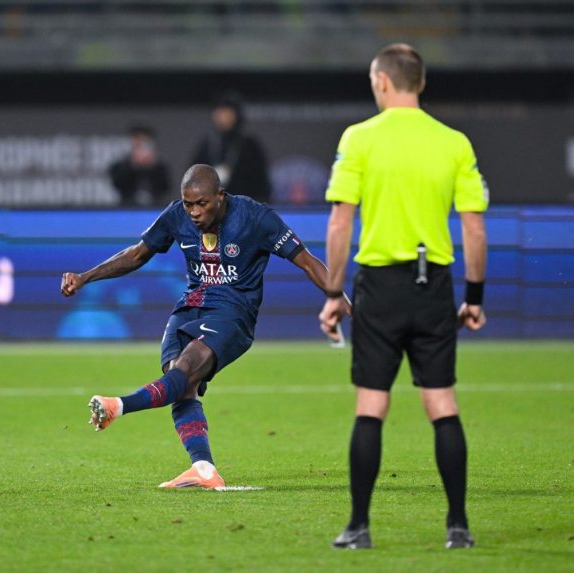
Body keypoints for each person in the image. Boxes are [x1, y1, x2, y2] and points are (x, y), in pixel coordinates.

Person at [61, 164, 349, 488]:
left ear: (220, 197)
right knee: (181, 385)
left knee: (183, 370)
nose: (194, 212)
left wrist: (341, 299)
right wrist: (85, 277)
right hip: (189, 307)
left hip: (233, 313)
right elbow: (138, 254)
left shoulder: (255, 218)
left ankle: (119, 406)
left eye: (202, 204)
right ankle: (204, 469)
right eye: (188, 204)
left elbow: (307, 261)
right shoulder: (177, 215)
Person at [318, 43, 489, 550]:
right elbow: (474, 230)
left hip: (380, 288)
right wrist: (473, 296)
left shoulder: (360, 138)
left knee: (371, 407)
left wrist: (333, 292)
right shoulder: (454, 142)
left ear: (383, 82)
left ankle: (359, 528)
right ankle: (457, 528)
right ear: (421, 83)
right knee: (442, 404)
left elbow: (340, 221)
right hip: (434, 284)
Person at [190, 92, 271, 203]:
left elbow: (261, 183)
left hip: (243, 208)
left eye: (227, 112)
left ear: (236, 115)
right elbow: (193, 179)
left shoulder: (249, 146)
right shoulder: (206, 145)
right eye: (219, 113)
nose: (223, 117)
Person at [108, 124, 171, 207]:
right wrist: (133, 165)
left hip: (154, 209)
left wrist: (151, 167)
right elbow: (118, 184)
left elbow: (165, 187)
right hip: (126, 208)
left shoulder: (159, 167)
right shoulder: (120, 166)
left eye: (144, 142)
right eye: (137, 141)